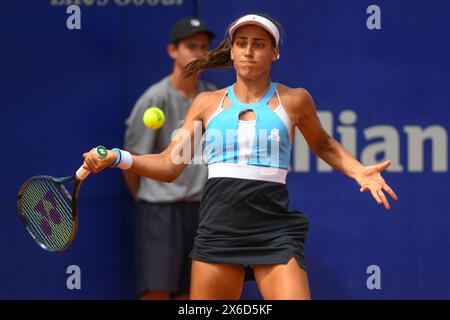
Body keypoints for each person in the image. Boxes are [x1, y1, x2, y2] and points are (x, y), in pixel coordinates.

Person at [83, 13, 398, 300]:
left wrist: (358, 170)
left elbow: (325, 144)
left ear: (274, 53)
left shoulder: (295, 100)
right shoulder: (207, 103)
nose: (248, 51)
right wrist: (118, 157)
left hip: (274, 229)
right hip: (218, 229)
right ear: (231, 51)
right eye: (242, 43)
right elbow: (169, 166)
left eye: (259, 44)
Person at [122, 17, 216, 300]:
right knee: (157, 291)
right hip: (160, 211)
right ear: (172, 51)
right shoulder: (155, 98)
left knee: (194, 293)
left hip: (203, 210)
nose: (198, 53)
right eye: (190, 46)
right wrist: (144, 198)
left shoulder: (213, 99)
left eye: (203, 47)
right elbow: (134, 159)